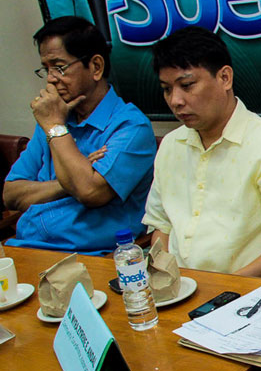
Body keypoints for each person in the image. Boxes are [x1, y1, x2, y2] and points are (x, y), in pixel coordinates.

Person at [143, 26, 261, 277]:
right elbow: (161, 226)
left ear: (225, 78)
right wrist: (166, 279)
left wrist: (222, 290)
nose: (175, 101)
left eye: (187, 85)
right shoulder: (171, 145)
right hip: (180, 290)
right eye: (167, 89)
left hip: (250, 293)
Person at [3, 16, 156, 254]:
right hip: (25, 248)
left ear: (96, 67)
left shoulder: (130, 127)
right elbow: (11, 194)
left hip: (92, 257)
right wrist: (68, 182)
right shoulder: (50, 121)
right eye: (46, 69)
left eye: (59, 67)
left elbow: (90, 192)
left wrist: (56, 128)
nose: (51, 78)